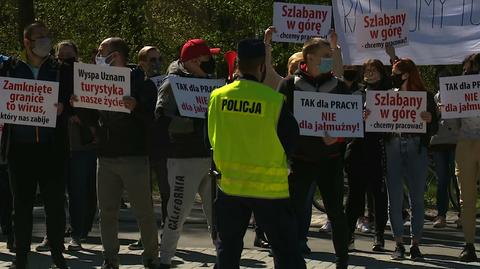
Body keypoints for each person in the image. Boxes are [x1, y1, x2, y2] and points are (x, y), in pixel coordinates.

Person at [208, 38, 305, 269]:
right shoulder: (273, 101)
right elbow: (291, 140)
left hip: (230, 187)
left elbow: (209, 139)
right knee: (286, 250)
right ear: (262, 67)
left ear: (238, 65)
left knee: (228, 250)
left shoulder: (217, 97)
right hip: (270, 190)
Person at [72, 37, 159, 269]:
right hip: (106, 156)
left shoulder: (142, 84)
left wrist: (136, 107)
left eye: (102, 52)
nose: (97, 56)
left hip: (134, 157)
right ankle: (110, 258)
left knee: (143, 211)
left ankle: (151, 256)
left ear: (116, 56)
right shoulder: (96, 81)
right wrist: (79, 103)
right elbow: (91, 120)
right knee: (107, 211)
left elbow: (153, 120)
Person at [0, 22, 70, 269]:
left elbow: (75, 99)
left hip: (51, 148)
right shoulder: (9, 69)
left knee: (54, 204)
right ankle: (21, 257)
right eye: (40, 37)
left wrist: (64, 106)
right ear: (27, 42)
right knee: (22, 206)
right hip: (20, 148)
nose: (46, 41)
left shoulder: (60, 70)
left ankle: (58, 255)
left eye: (48, 36)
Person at [278, 37, 349, 269]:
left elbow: (350, 122)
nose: (330, 59)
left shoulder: (339, 87)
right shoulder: (289, 85)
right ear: (309, 57)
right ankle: (291, 259)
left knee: (336, 213)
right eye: (326, 55)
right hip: (300, 161)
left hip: (330, 160)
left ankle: (342, 261)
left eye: (331, 55)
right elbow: (279, 123)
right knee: (294, 212)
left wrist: (338, 137)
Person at [156, 39, 219, 268]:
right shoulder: (173, 84)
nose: (212, 61)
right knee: (177, 211)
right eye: (207, 57)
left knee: (217, 213)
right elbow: (162, 117)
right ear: (193, 61)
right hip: (184, 158)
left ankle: (223, 257)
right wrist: (191, 122)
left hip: (211, 157)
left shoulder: (212, 83)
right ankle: (164, 259)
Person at [379, 58, 438, 261]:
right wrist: (369, 115)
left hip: (416, 147)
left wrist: (429, 120)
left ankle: (415, 244)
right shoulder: (387, 96)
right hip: (393, 145)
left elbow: (435, 126)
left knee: (417, 199)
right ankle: (398, 243)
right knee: (394, 198)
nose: (392, 77)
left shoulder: (425, 97)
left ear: (405, 75)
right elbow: (378, 120)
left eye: (395, 73)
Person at [344, 59, 390, 252]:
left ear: (382, 73)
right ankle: (348, 237)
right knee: (355, 197)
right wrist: (359, 116)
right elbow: (345, 117)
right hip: (357, 150)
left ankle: (378, 237)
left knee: (378, 196)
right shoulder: (357, 92)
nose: (370, 73)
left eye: (374, 70)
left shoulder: (389, 94)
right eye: (367, 70)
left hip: (378, 150)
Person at [57, 40, 99, 251]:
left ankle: (78, 233)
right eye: (61, 56)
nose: (65, 60)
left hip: (83, 145)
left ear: (77, 55)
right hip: (57, 143)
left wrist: (79, 113)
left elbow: (98, 110)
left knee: (80, 191)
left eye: (69, 55)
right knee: (56, 192)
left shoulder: (88, 77)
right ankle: (54, 233)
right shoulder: (53, 76)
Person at [128, 45, 170, 251]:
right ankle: (146, 235)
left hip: (162, 146)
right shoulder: (135, 85)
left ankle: (167, 235)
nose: (156, 64)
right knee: (143, 196)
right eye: (151, 60)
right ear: (141, 63)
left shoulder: (168, 84)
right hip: (141, 146)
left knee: (166, 193)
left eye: (159, 59)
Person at [455, 53, 480, 262]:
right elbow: (452, 123)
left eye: (469, 69)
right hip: (465, 144)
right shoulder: (457, 90)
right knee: (467, 199)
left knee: (468, 199)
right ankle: (469, 244)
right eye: (464, 70)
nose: (465, 74)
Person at [430, 67, 460, 229]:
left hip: (456, 142)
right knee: (442, 180)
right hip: (439, 143)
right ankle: (441, 214)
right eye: (440, 79)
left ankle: (462, 214)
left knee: (457, 180)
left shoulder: (460, 97)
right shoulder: (434, 99)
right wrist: (436, 113)